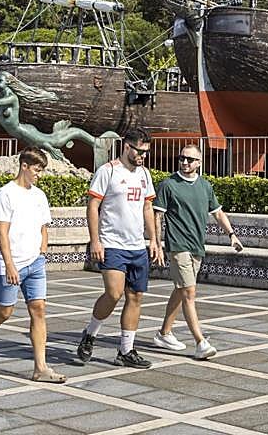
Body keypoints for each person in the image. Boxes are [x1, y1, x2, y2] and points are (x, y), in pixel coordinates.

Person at [0, 149, 65, 383]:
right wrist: (9, 265)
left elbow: (44, 227)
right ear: (24, 166)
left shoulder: (39, 195)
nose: (39, 175)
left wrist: (42, 251)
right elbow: (2, 232)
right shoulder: (6, 193)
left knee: (38, 310)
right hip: (11, 263)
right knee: (4, 312)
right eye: (37, 170)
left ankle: (40, 367)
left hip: (35, 263)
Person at [76, 128, 163, 369]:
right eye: (139, 151)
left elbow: (147, 208)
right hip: (112, 243)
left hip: (137, 245)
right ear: (127, 146)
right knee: (114, 293)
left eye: (146, 152)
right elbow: (93, 206)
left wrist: (154, 240)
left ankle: (126, 350)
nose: (143, 156)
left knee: (135, 297)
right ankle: (90, 333)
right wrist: (95, 240)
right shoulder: (108, 171)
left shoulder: (144, 174)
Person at [151, 145, 242, 360]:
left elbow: (218, 213)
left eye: (190, 159)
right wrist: (157, 244)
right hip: (178, 246)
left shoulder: (205, 186)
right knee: (189, 293)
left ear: (199, 163)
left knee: (181, 290)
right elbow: (157, 216)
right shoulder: (168, 185)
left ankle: (164, 333)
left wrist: (231, 235)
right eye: (182, 158)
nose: (184, 162)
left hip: (197, 246)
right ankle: (201, 342)